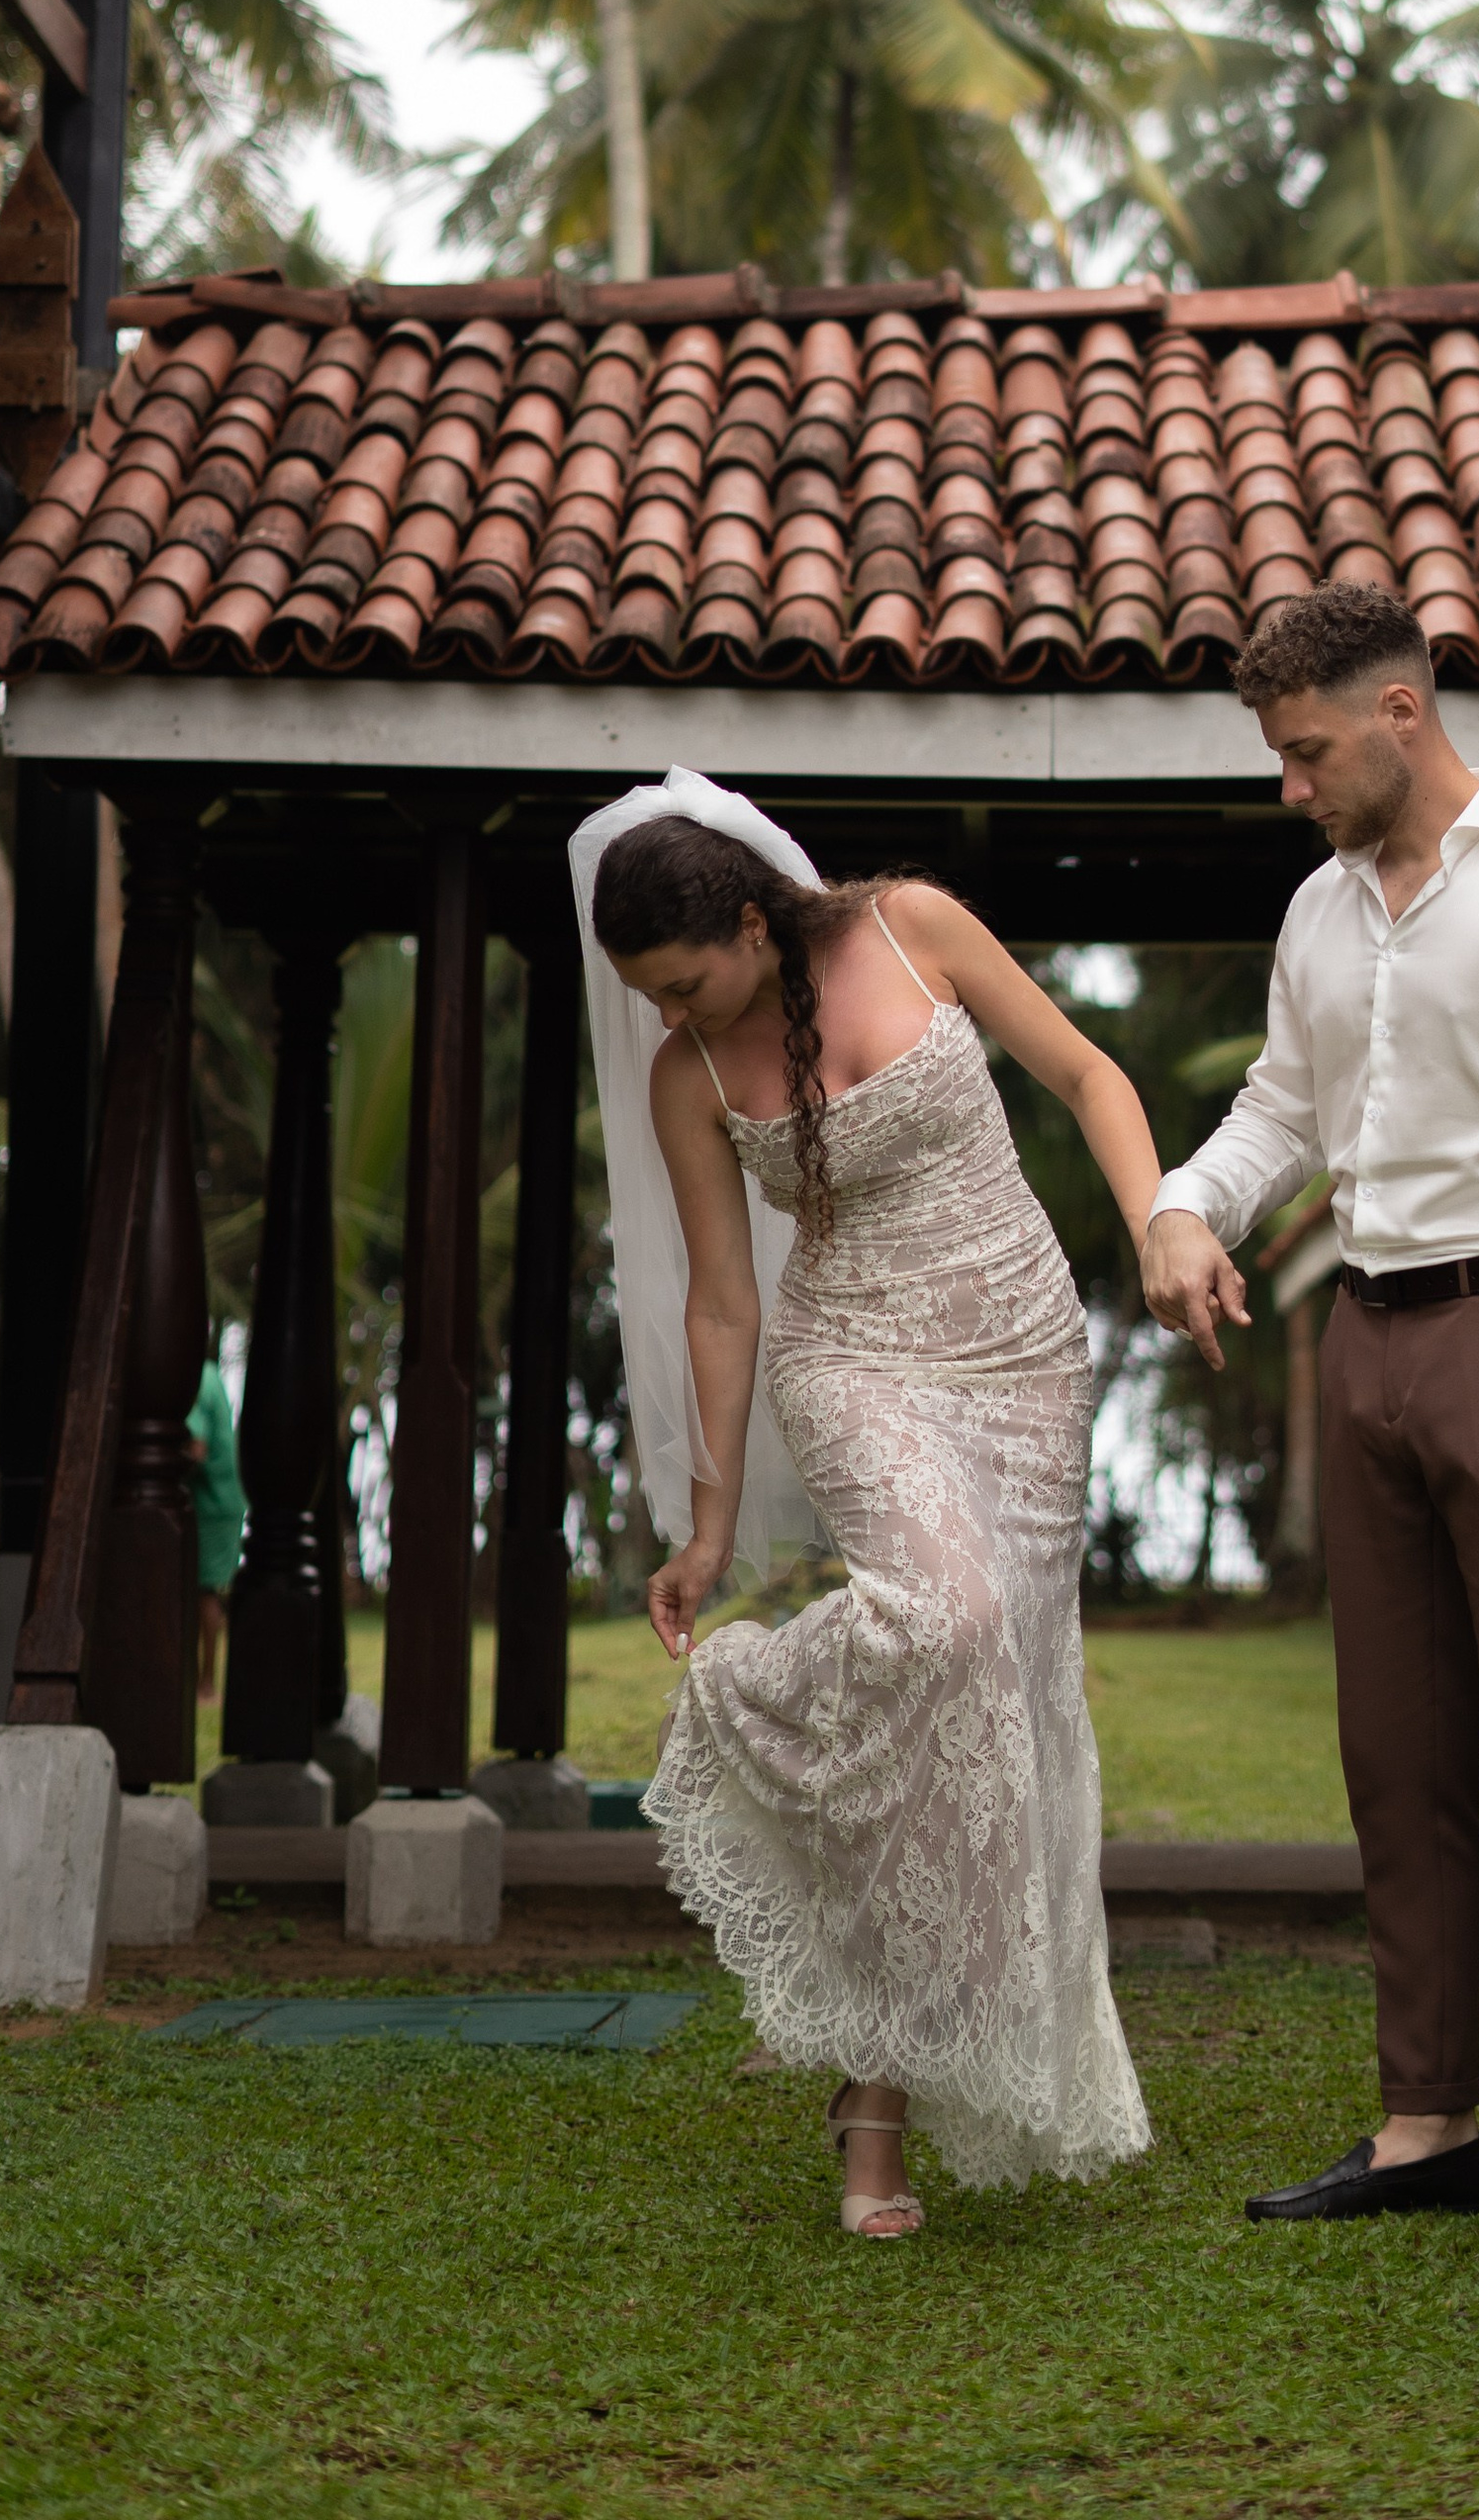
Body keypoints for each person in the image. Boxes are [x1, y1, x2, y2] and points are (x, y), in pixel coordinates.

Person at [1143, 583, 1479, 2275]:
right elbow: (1278, 1114)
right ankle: (1428, 2129)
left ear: (1400, 709)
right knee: (1395, 1763)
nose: (1287, 786)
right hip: (1364, 1346)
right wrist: (1184, 1208)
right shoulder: (1319, 912)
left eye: (1304, 752)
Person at [573, 769, 1157, 2239]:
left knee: (986, 1706)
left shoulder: (912, 927)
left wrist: (1164, 1232)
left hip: (1025, 1363)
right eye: (644, 993)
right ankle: (743, 1701)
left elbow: (1091, 1076)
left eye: (685, 981)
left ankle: (873, 2099)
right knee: (943, 1626)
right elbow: (721, 1303)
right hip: (854, 1363)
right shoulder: (686, 1076)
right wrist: (708, 1527)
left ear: (758, 924)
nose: (667, 1013)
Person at [187, 1350, 246, 1701]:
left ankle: (206, 1684)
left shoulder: (195, 1379)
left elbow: (196, 1450)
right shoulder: (207, 1371)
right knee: (201, 1591)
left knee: (205, 1591)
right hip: (219, 1498)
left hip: (214, 1501)